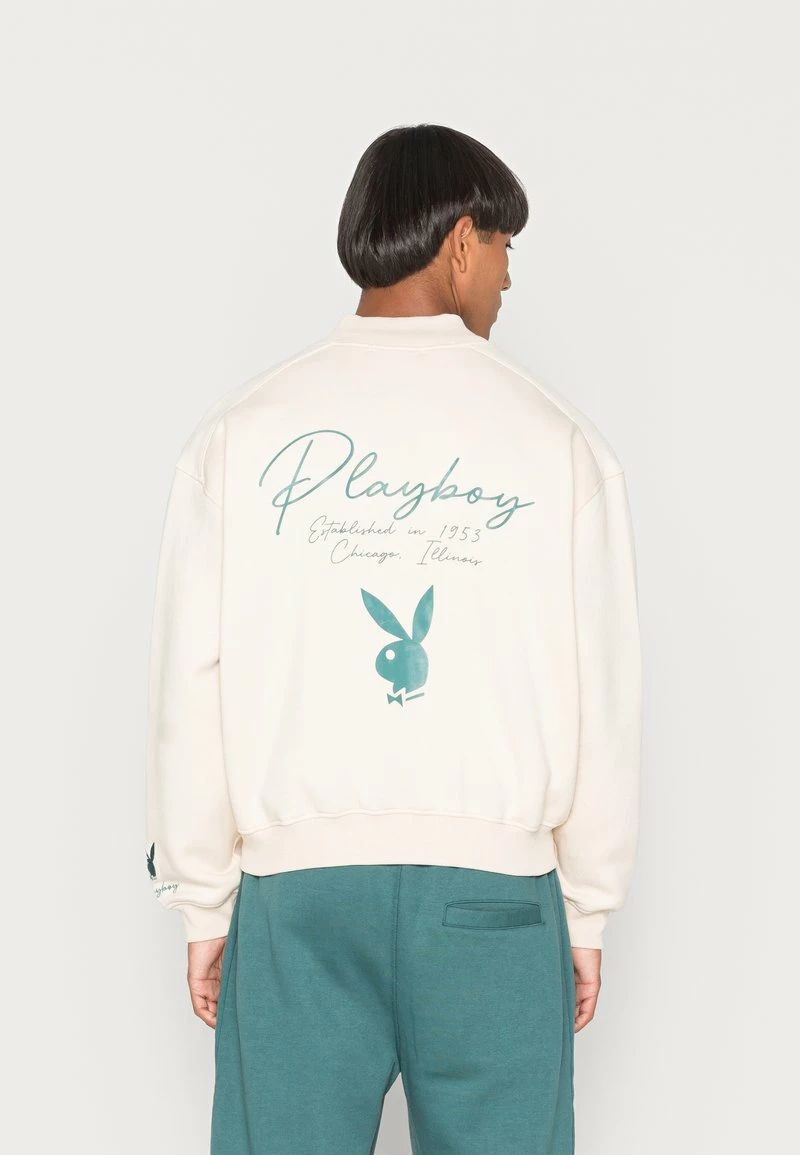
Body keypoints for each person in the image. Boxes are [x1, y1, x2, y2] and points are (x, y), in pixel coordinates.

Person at [144, 123, 642, 1154]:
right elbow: (604, 693)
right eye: (503, 247)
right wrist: (587, 908)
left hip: (296, 905)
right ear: (460, 241)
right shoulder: (557, 442)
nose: (508, 278)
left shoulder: (241, 435)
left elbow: (189, 684)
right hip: (497, 904)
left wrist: (204, 900)